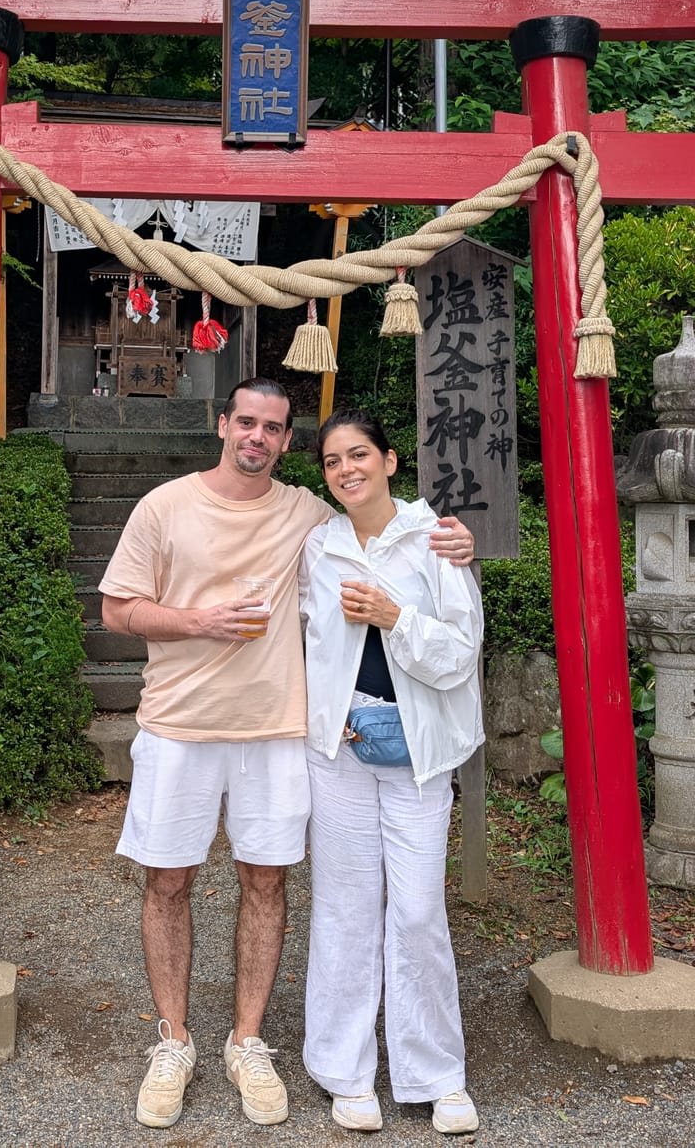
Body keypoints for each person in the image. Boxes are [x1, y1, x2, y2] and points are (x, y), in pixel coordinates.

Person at [99, 378, 475, 1130]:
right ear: (222, 425)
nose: (258, 438)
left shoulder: (324, 520)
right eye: (247, 423)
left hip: (281, 733)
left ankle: (252, 1041)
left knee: (285, 886)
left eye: (274, 428)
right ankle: (180, 1042)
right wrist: (201, 619)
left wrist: (458, 541)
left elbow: (438, 610)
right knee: (175, 881)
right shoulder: (182, 510)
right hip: (190, 725)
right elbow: (116, 609)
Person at [297, 407, 485, 1135]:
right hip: (341, 752)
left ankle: (436, 1073)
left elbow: (458, 654)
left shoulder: (436, 538)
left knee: (416, 911)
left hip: (418, 753)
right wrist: (326, 713)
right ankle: (344, 1070)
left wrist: (393, 615)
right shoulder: (321, 547)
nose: (347, 469)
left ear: (390, 461)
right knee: (344, 907)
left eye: (359, 455)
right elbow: (308, 648)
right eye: (333, 461)